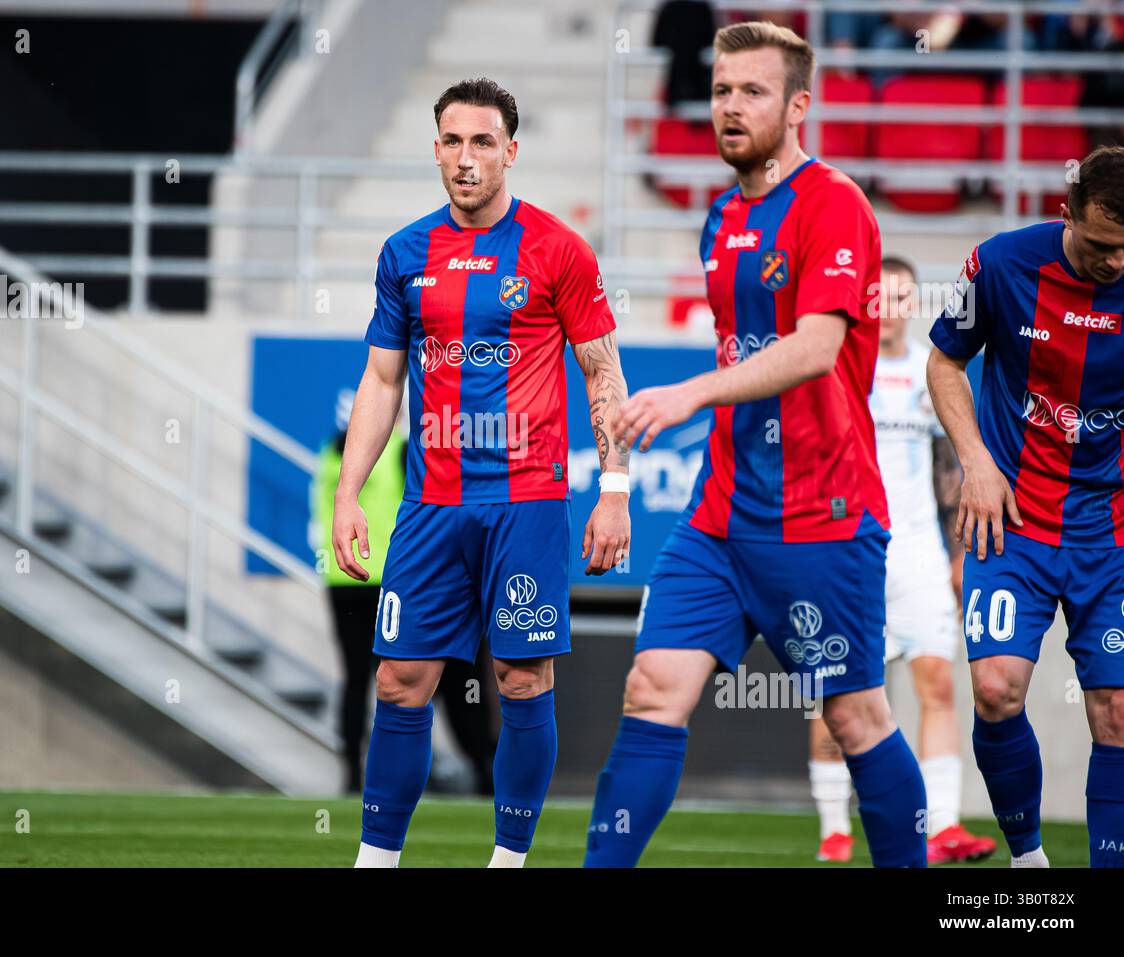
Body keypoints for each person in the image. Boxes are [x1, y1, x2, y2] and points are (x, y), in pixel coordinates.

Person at [583, 21, 928, 868]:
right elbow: (746, 351)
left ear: (798, 105)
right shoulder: (723, 216)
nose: (730, 107)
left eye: (753, 91)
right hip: (723, 512)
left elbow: (814, 349)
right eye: (722, 90)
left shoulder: (834, 203)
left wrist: (689, 393)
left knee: (855, 718)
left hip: (823, 515)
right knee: (652, 689)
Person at [333, 77, 632, 868]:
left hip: (525, 504)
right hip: (432, 506)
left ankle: (509, 860)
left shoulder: (557, 248)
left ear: (511, 150)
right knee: (399, 679)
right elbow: (382, 381)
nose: (467, 160)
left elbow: (602, 372)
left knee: (522, 681)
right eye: (454, 143)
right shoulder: (404, 253)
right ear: (436, 149)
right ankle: (375, 860)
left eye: (484, 142)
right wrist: (349, 492)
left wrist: (614, 488)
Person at [926, 145, 1124, 867]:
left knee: (1118, 711)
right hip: (1013, 519)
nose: (1114, 262)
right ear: (1066, 213)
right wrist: (976, 461)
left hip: (1112, 531)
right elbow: (945, 359)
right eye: (1101, 245)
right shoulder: (1001, 265)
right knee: (996, 688)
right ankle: (1028, 862)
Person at [808, 256, 996, 864]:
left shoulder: (930, 370)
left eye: (901, 297)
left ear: (913, 303)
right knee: (839, 694)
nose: (890, 307)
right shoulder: (837, 367)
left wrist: (961, 551)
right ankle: (834, 829)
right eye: (880, 296)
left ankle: (942, 826)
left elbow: (954, 470)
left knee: (939, 682)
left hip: (917, 553)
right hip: (847, 552)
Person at [314, 424, 495, 795]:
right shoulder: (399, 448)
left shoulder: (332, 453)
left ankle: (351, 775)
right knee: (437, 675)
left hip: (343, 579)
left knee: (356, 679)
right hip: (394, 579)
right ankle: (481, 770)